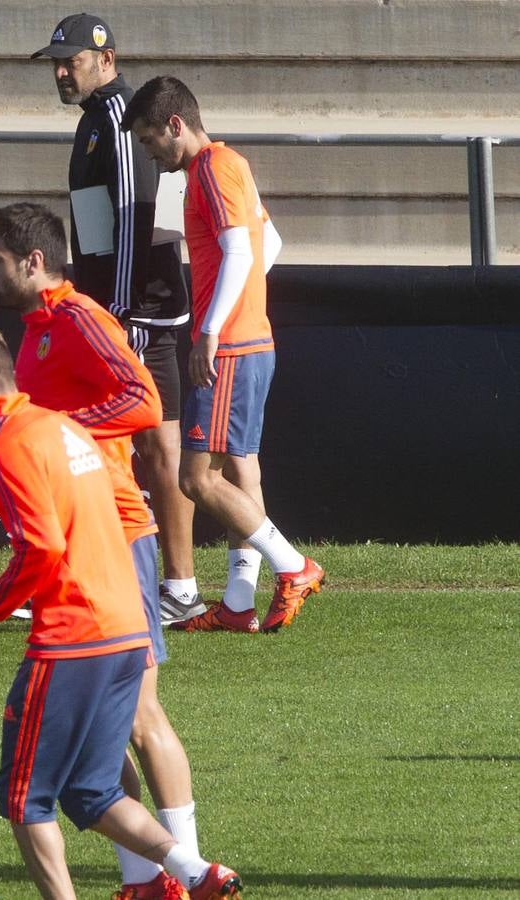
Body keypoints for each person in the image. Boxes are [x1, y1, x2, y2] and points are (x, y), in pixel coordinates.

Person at [0, 324, 241, 900]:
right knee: (91, 794)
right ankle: (198, 874)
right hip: (126, 630)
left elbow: (41, 548)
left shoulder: (6, 443)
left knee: (24, 798)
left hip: (74, 639)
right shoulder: (65, 429)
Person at [0, 202, 205, 900]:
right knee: (109, 737)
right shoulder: (38, 331)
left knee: (139, 715)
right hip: (90, 535)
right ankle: (146, 877)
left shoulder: (78, 320)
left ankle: (185, 868)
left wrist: (59, 425)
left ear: (34, 264)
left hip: (121, 532)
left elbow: (143, 398)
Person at [122, 77, 326, 633]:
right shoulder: (226, 166)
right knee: (240, 469)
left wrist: (212, 326)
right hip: (252, 339)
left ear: (174, 126)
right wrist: (236, 303)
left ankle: (295, 566)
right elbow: (269, 243)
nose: (149, 152)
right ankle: (238, 603)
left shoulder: (211, 168)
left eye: (149, 140)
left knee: (196, 480)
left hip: (231, 346)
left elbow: (240, 247)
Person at [31, 14, 203, 626]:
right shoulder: (94, 120)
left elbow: (133, 215)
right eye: (56, 61)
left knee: (143, 446)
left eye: (70, 60)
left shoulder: (116, 117)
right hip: (134, 306)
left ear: (106, 59)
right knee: (151, 447)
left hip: (137, 311)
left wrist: (120, 311)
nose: (60, 71)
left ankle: (168, 587)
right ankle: (168, 587)